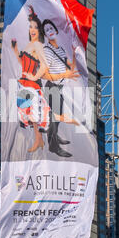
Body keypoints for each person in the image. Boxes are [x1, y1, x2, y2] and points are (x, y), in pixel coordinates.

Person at [11, 6, 50, 153]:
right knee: (23, 113)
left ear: (39, 30)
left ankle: (38, 140)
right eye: (30, 27)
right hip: (24, 82)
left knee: (31, 113)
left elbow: (44, 65)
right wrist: (15, 52)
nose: (32, 30)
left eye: (35, 27)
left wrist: (34, 76)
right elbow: (23, 64)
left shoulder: (37, 45)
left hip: (31, 84)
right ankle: (37, 140)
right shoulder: (29, 45)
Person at [42, 19, 80, 158]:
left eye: (51, 28)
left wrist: (75, 55)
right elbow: (45, 74)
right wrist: (65, 74)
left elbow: (71, 67)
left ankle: (54, 137)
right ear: (45, 35)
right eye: (46, 30)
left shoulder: (61, 50)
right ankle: (53, 146)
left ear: (55, 31)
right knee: (54, 117)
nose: (50, 31)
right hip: (52, 87)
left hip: (59, 87)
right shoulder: (47, 51)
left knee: (57, 117)